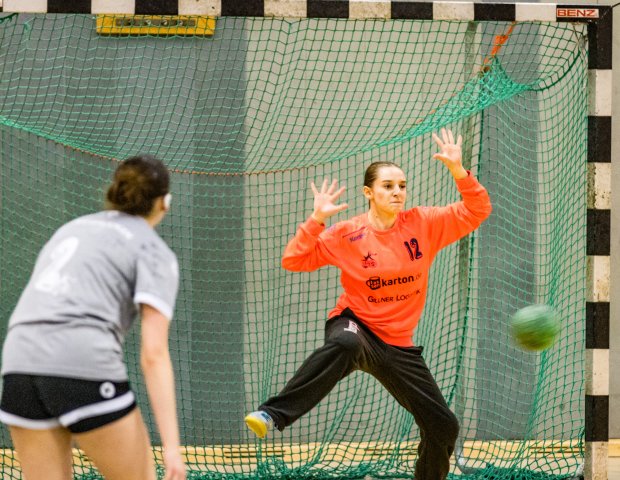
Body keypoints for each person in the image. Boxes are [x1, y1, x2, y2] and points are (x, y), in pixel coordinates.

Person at [245, 129, 492, 480]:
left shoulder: (423, 223)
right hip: (356, 325)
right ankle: (272, 414)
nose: (397, 192)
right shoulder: (348, 233)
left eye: (402, 185)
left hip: (397, 344)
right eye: (387, 186)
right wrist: (316, 221)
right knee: (345, 343)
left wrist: (457, 170)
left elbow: (478, 209)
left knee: (443, 426)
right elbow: (294, 260)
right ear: (368, 193)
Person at [0, 155, 186, 480]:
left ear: (115, 190)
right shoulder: (154, 251)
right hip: (82, 363)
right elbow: (153, 354)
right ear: (164, 203)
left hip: (19, 363)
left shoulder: (70, 230)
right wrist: (171, 448)